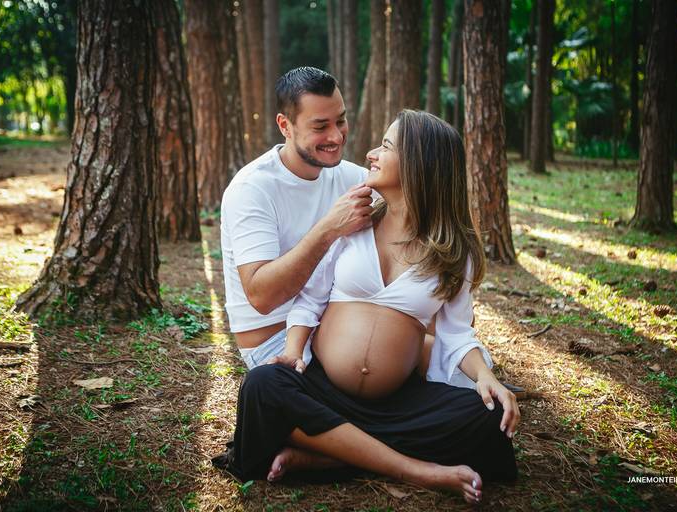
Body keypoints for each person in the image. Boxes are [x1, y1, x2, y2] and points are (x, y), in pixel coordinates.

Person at [222, 110, 520, 505]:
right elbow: (310, 299)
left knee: (488, 419)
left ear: (418, 164)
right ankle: (418, 469)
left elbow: (456, 333)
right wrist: (293, 352)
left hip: (398, 403)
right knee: (263, 386)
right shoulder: (355, 223)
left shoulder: (454, 251)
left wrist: (486, 376)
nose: (370, 153)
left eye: (386, 146)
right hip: (324, 388)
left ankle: (330, 456)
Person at [220, 67, 372, 370]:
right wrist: (329, 229)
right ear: (285, 126)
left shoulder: (356, 178)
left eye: (340, 120)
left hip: (344, 326)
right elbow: (261, 296)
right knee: (271, 389)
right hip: (273, 342)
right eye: (320, 126)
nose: (336, 135)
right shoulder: (252, 188)